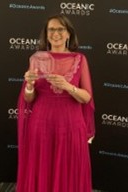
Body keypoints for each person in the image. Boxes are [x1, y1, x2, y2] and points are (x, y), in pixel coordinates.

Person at [16, 14, 95, 192]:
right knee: (42, 166)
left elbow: (87, 98)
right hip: (41, 123)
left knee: (69, 167)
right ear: (46, 34)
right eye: (51, 29)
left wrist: (68, 86)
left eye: (60, 29)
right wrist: (29, 84)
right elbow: (29, 98)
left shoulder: (80, 59)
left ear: (68, 34)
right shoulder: (37, 58)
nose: (55, 33)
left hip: (71, 125)